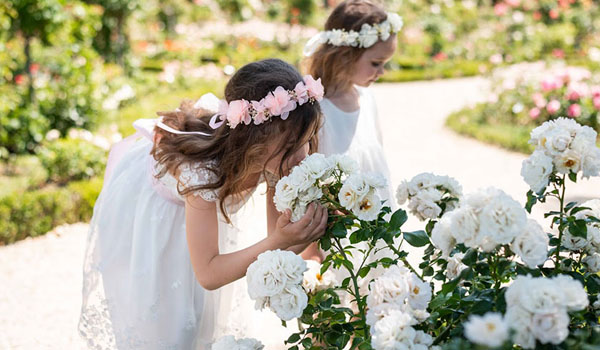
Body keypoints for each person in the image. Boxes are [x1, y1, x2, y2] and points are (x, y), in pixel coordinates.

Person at [78, 59, 327, 350]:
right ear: (255, 140)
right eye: (290, 147)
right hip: (152, 221)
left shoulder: (274, 164)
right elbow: (209, 274)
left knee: (202, 323)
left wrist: (311, 229)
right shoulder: (202, 173)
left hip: (199, 226)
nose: (303, 155)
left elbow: (278, 243)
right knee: (168, 329)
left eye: (308, 140)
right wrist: (281, 239)